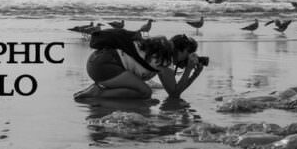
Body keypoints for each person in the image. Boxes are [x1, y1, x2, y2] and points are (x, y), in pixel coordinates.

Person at [73, 28, 206, 100]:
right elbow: (174, 94)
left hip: (97, 61)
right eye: (189, 53)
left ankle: (100, 89)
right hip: (105, 64)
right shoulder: (165, 59)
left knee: (139, 88)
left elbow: (176, 90)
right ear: (181, 50)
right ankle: (97, 93)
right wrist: (189, 70)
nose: (188, 58)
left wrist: (194, 74)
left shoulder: (160, 49)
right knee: (145, 92)